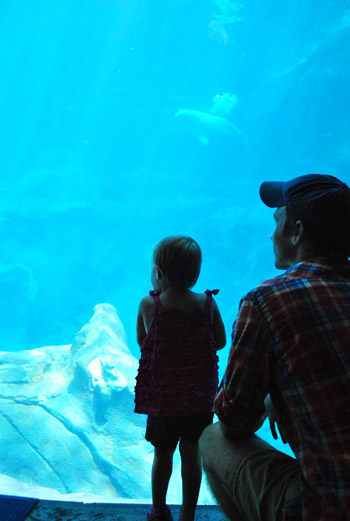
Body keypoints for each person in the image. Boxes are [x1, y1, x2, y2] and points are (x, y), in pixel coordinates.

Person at [199, 174, 350, 521]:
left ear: (296, 232)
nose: (271, 234)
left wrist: (270, 399)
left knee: (212, 438)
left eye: (277, 221)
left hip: (331, 508)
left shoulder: (268, 300)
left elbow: (234, 420)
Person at [134, 235, 226, 521]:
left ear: (158, 273)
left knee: (162, 456)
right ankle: (188, 514)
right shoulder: (207, 304)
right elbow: (220, 341)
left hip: (164, 400)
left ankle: (159, 510)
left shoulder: (150, 305)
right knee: (191, 456)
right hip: (198, 399)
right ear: (196, 273)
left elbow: (143, 343)